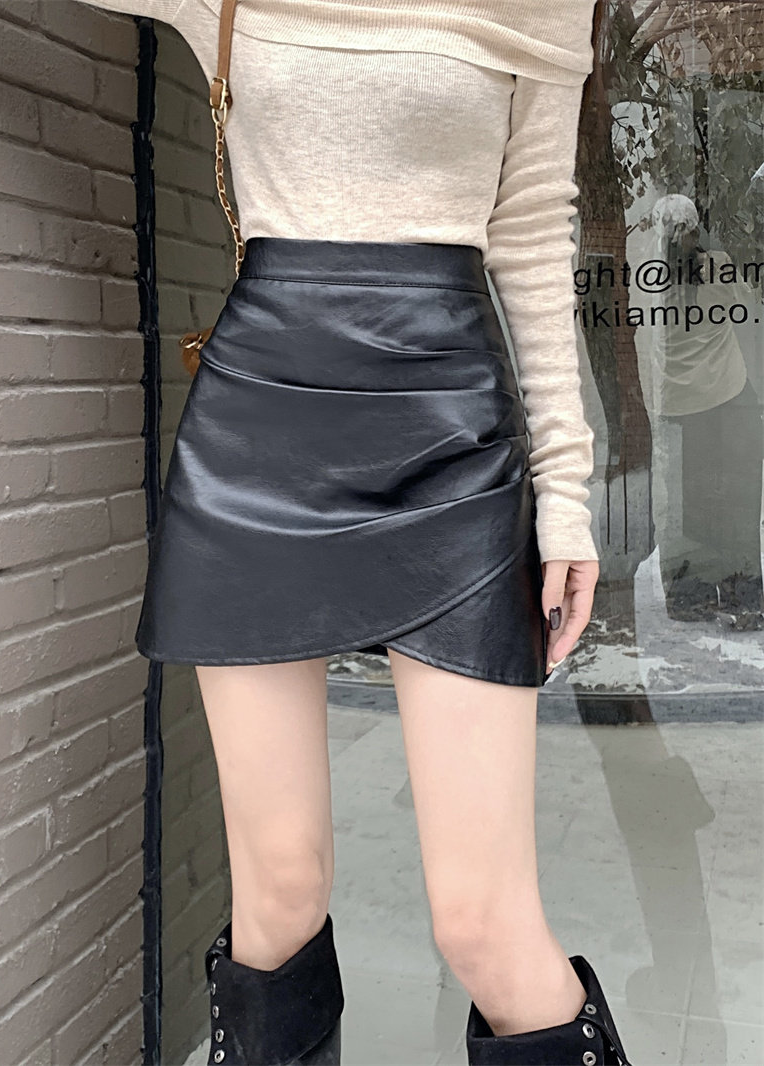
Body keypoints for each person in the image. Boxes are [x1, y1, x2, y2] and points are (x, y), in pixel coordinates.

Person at [73, 1, 633, 1063]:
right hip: (257, 435)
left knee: (482, 923)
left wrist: (564, 493)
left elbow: (528, 230)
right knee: (278, 896)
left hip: (451, 433)